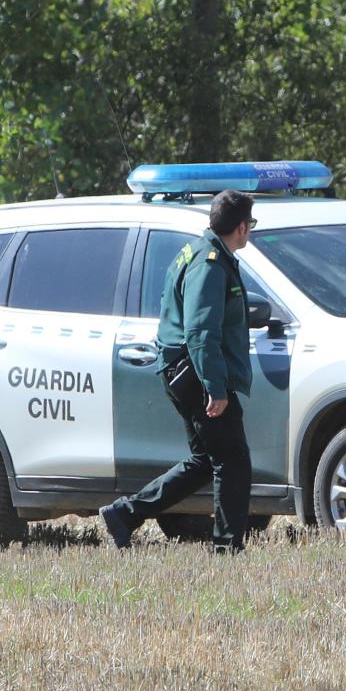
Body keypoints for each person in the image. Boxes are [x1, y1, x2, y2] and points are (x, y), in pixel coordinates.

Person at [99, 190, 256, 553]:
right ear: (242, 227)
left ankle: (125, 514)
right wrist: (215, 388)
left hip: (186, 371)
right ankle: (227, 547)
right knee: (233, 461)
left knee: (206, 460)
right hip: (197, 373)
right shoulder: (210, 263)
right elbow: (200, 332)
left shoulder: (200, 252)